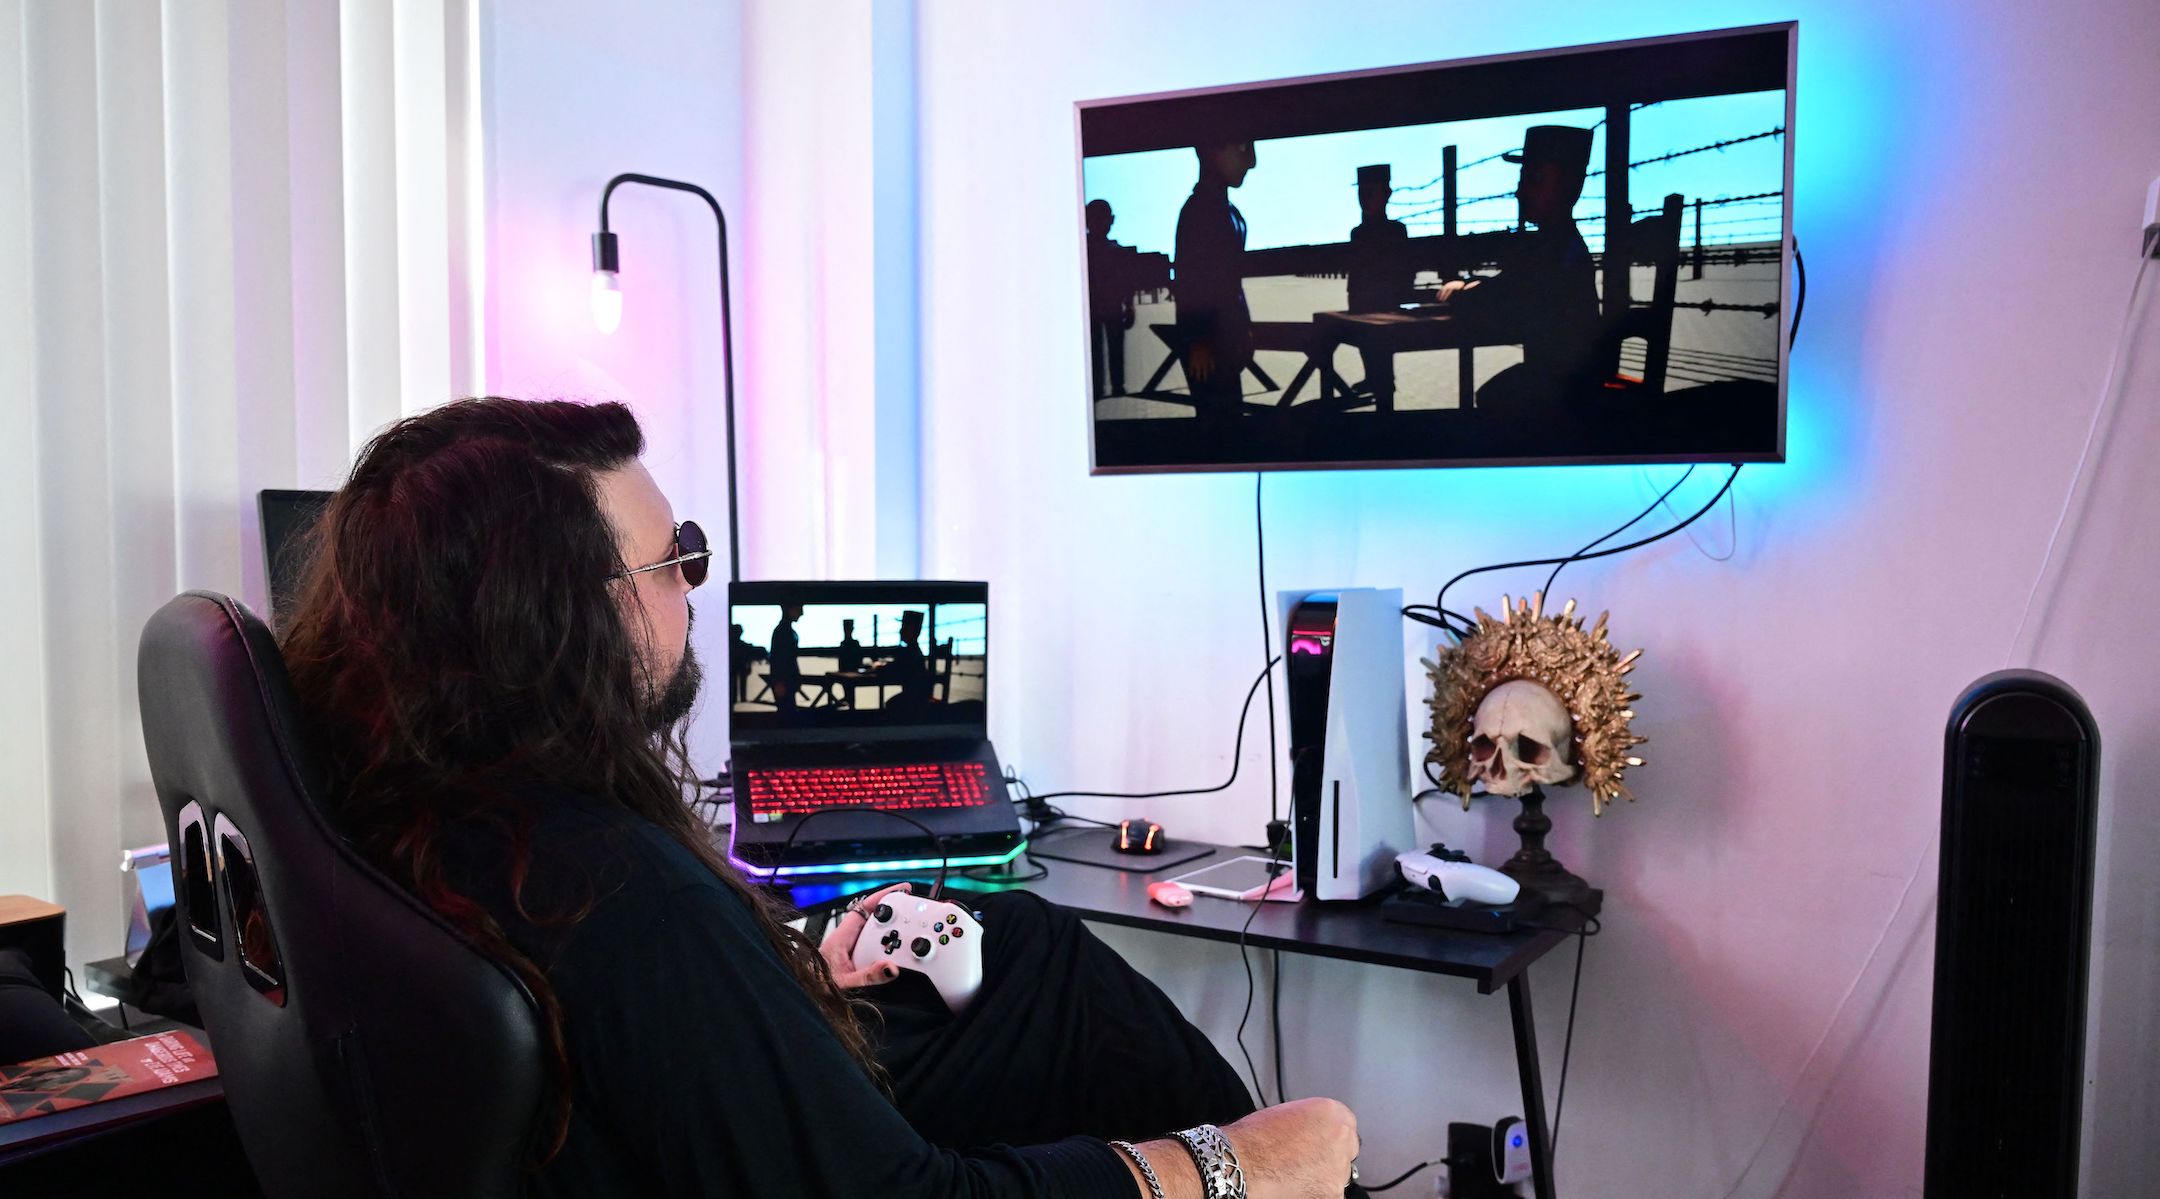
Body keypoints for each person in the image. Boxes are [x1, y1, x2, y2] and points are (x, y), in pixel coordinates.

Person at [278, 397, 1359, 1198]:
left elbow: (672, 1029)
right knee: (1260, 1134)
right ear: (557, 615)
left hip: (649, 1121)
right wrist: (1239, 1163)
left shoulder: (415, 802)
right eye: (675, 559)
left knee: (1026, 943)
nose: (694, 587)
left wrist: (787, 967)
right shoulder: (624, 890)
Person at [1437, 125, 1604, 413]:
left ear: (1570, 185)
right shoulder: (1557, 243)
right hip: (1569, 373)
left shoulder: (1556, 249)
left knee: (1493, 397)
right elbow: (1512, 284)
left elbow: (1510, 295)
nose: (1519, 192)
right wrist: (1473, 283)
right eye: (1522, 179)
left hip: (1565, 382)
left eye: (1534, 179)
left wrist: (1462, 295)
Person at [1174, 140, 1258, 419]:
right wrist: (1198, 339)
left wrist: (1243, 327)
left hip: (1224, 339)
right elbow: (1190, 280)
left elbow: (1231, 282)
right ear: (1211, 150)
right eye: (1243, 148)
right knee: (1217, 428)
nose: (1252, 161)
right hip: (1208, 344)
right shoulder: (1200, 211)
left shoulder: (1229, 212)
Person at [1345, 164, 1414, 410]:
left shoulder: (1395, 230)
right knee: (1367, 341)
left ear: (1386, 194)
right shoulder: (1358, 233)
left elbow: (1405, 268)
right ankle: (1375, 379)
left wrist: (1400, 292)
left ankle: (1383, 389)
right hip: (1362, 299)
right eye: (1362, 193)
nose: (1365, 199)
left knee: (1378, 342)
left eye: (1370, 193)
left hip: (1385, 302)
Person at [1085, 200, 1136, 398]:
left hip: (1098, 305)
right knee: (1112, 346)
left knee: (1097, 348)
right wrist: (1129, 305)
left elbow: (1126, 280)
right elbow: (1127, 281)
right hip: (1108, 304)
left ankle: (1101, 387)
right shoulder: (1116, 252)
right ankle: (1116, 385)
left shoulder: (1086, 251)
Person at [768, 602, 805, 710]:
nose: (802, 613)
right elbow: (779, 659)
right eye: (799, 609)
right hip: (784, 682)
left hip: (786, 682)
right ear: (790, 610)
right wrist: (779, 682)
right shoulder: (784, 632)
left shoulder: (783, 631)